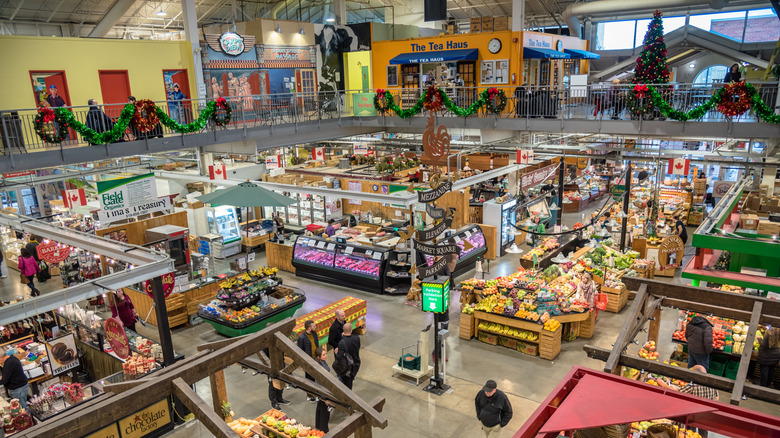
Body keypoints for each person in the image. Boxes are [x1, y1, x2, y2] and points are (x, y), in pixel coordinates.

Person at [297, 320, 319, 402]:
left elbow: (316, 345)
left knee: (315, 378)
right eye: (314, 326)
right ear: (309, 328)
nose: (315, 327)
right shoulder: (302, 338)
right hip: (308, 362)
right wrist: (303, 365)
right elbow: (300, 352)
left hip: (316, 360)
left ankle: (315, 393)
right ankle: (309, 395)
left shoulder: (314, 334)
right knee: (309, 379)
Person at [335, 323, 361, 390]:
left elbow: (339, 357)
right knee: (350, 382)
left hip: (347, 368)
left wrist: (336, 352)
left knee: (346, 386)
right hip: (356, 364)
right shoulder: (357, 338)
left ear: (343, 331)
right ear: (351, 330)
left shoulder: (342, 342)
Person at [314, 347, 332, 432]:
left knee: (320, 407)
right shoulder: (320, 367)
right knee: (325, 410)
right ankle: (324, 429)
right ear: (318, 357)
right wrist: (326, 397)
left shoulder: (322, 362)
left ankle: (318, 425)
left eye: (325, 354)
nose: (326, 356)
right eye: (323, 355)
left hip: (322, 389)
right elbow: (321, 383)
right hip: (323, 390)